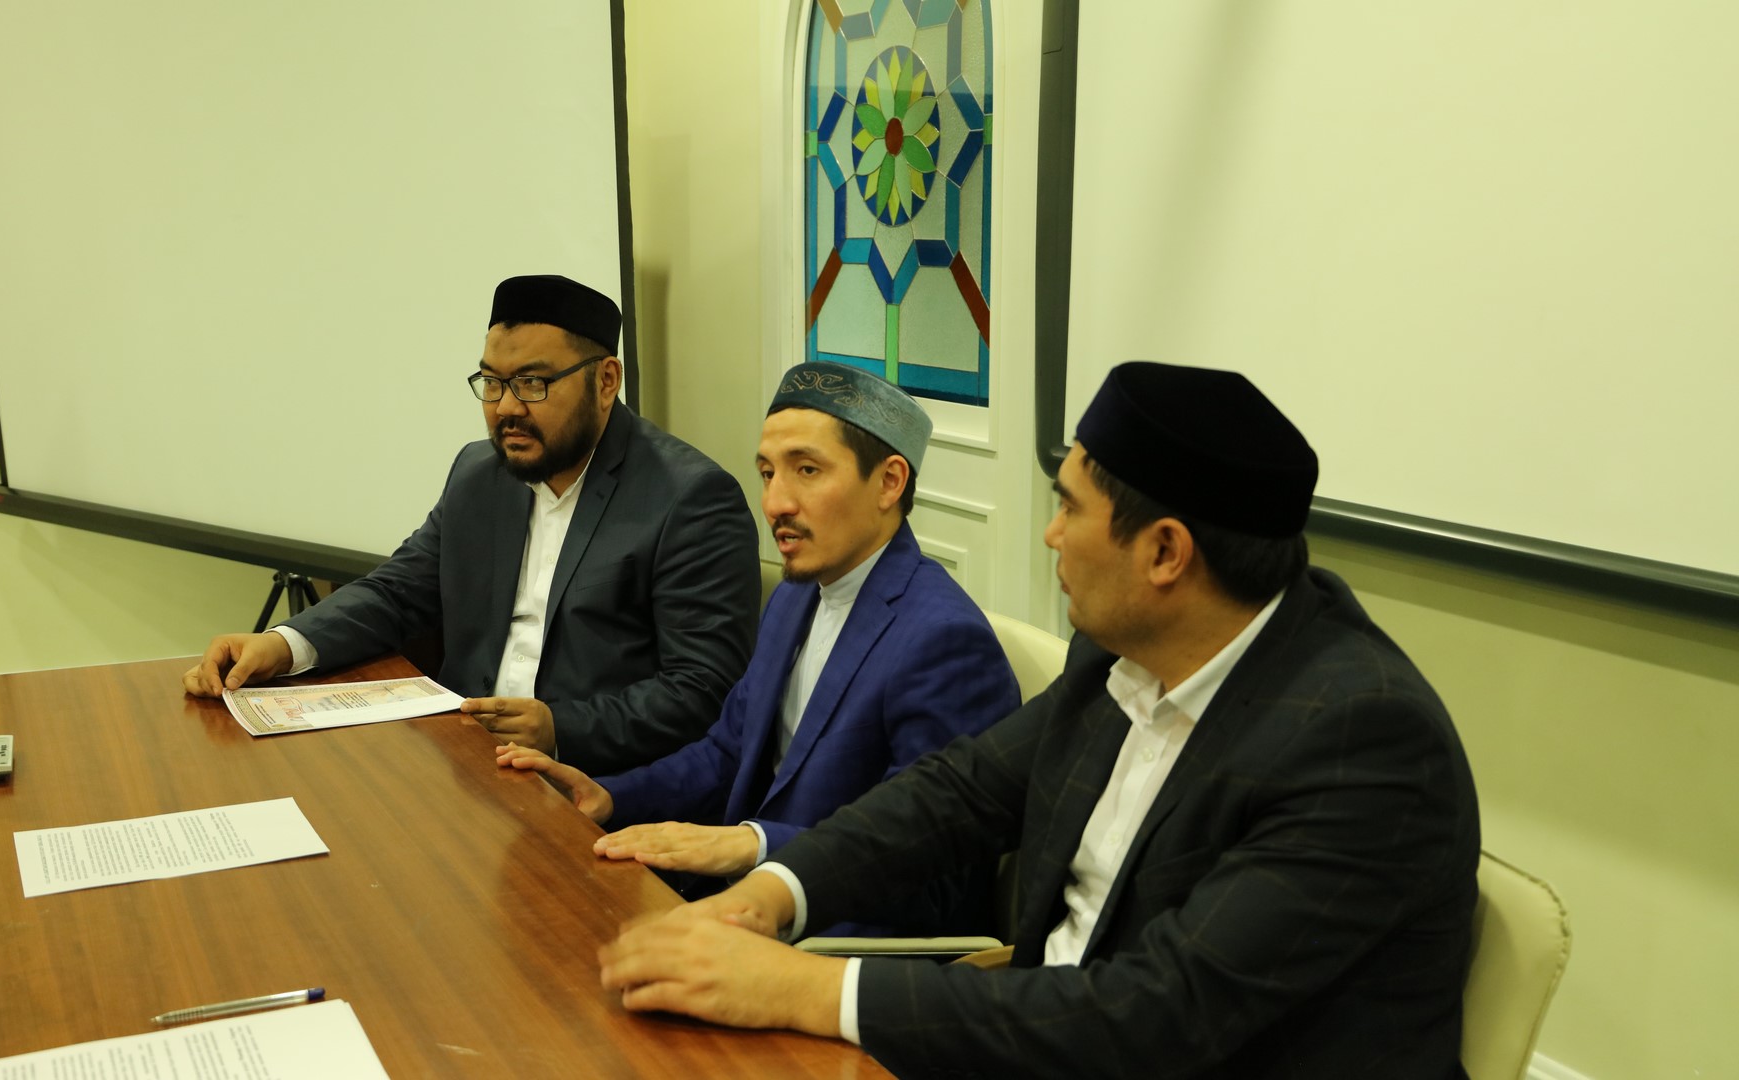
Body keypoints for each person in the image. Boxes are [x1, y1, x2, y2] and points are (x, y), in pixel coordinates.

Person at [596, 362, 1483, 1079]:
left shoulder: (1360, 743)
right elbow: (955, 795)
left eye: (1068, 507)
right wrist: (772, 895)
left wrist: (804, 991)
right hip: (1043, 1034)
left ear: (1165, 552)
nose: (1051, 536)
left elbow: (1156, 1015)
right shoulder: (1119, 655)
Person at [498, 362, 1019, 935]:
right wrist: (610, 797)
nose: (775, 503)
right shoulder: (798, 594)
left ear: (890, 482)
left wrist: (754, 846)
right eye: (768, 473)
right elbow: (727, 753)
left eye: (807, 470)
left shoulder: (945, 644)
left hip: (826, 941)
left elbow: (930, 882)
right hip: (736, 905)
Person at [182, 275, 761, 777]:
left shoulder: (688, 497)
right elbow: (398, 591)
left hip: (595, 784)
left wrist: (561, 728)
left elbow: (704, 689)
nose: (506, 407)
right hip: (465, 762)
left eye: (532, 383)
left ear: (606, 381)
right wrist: (283, 644)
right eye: (492, 382)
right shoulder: (481, 472)